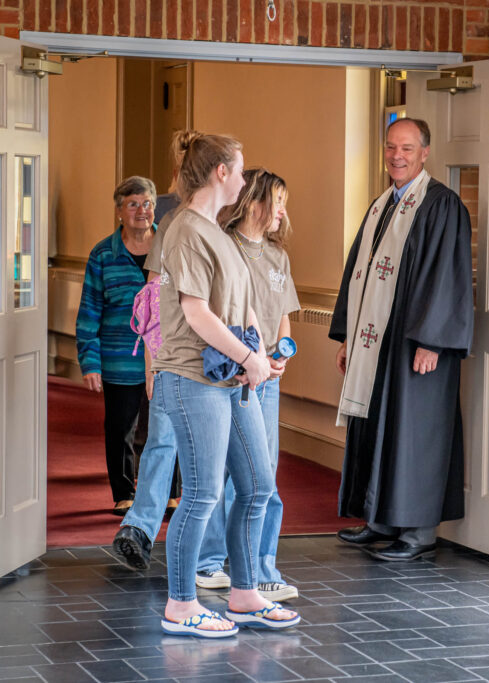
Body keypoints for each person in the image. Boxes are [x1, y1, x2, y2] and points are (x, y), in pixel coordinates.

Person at [153, 133, 299, 636]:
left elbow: (245, 305)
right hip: (193, 379)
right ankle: (181, 604)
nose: (243, 179)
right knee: (201, 494)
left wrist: (258, 353)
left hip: (234, 380)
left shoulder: (217, 230)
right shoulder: (184, 229)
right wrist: (248, 358)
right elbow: (196, 312)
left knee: (258, 484)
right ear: (220, 172)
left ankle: (244, 593)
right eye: (238, 171)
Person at [329, 117, 474, 562]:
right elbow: (361, 275)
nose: (397, 156)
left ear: (425, 153)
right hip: (380, 344)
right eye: (392, 147)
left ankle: (418, 531)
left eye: (407, 149)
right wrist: (350, 339)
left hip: (418, 346)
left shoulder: (441, 205)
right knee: (379, 426)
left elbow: (448, 278)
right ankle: (381, 518)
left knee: (415, 432)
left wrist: (434, 340)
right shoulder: (382, 205)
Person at [196, 169, 300, 602]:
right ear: (255, 201)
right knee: (222, 473)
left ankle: (260, 567)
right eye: (278, 200)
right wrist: (248, 359)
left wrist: (283, 356)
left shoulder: (278, 257)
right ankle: (210, 562)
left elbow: (283, 318)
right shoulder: (223, 246)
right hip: (232, 377)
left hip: (267, 379)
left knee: (264, 476)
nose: (282, 211)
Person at [112, 131, 203, 569]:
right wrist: (152, 362)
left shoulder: (229, 217)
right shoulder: (166, 218)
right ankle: (140, 529)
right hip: (172, 354)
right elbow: (152, 298)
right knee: (161, 441)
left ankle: (204, 547)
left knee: (204, 453)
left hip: (216, 356)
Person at [76, 176, 158, 516]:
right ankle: (124, 492)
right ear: (119, 212)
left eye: (148, 203)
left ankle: (169, 490)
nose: (142, 211)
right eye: (133, 204)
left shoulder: (171, 248)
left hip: (165, 357)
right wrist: (90, 362)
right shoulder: (103, 254)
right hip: (118, 357)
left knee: (165, 426)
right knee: (121, 428)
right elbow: (89, 311)